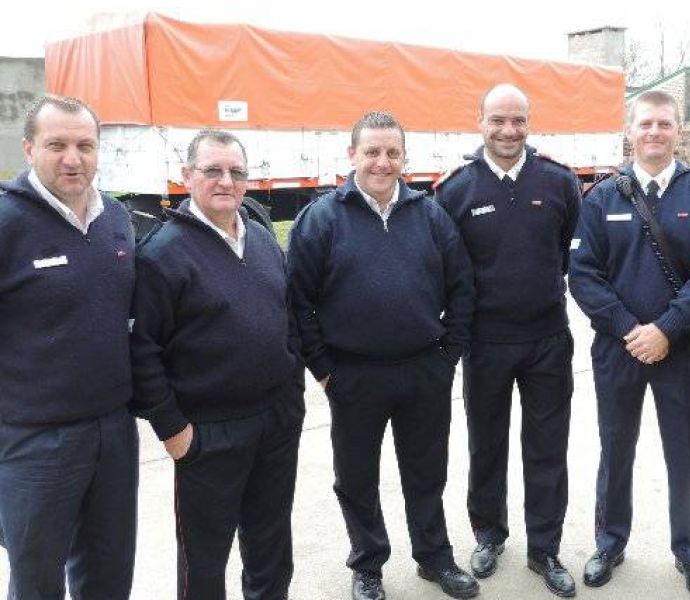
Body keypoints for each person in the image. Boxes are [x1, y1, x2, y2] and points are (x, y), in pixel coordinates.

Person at [287, 111, 478, 600]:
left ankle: (434, 558)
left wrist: (447, 358)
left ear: (404, 157)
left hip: (423, 371)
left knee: (427, 472)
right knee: (356, 477)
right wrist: (325, 370)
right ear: (352, 155)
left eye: (392, 152)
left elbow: (461, 290)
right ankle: (368, 564)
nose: (382, 161)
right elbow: (299, 302)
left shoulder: (431, 216)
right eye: (371, 151)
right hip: (352, 375)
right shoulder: (322, 218)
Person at [569, 90, 690, 599]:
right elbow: (583, 273)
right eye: (646, 124)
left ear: (678, 130)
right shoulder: (601, 197)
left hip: (681, 350)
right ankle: (610, 543)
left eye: (664, 123)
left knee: (685, 456)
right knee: (616, 451)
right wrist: (628, 329)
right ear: (630, 131)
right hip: (618, 350)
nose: (655, 132)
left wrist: (667, 329)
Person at [130, 129, 305, 600]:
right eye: (212, 170)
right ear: (187, 176)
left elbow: (287, 319)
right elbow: (143, 353)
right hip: (208, 435)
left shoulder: (264, 241)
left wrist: (293, 398)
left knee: (271, 547)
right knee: (205, 561)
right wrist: (175, 433)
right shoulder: (162, 255)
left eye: (236, 172)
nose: (225, 181)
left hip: (276, 424)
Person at [434, 83, 581, 597]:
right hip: (485, 343)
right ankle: (489, 535)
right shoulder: (455, 190)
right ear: (479, 121)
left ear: (529, 122)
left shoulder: (560, 183)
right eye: (498, 120)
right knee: (487, 445)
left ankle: (545, 548)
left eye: (518, 120)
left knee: (547, 449)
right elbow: (446, 270)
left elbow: (569, 254)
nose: (508, 131)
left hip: (546, 340)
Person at [0, 94, 138, 599]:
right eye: (57, 145)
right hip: (35, 441)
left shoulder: (117, 219)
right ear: (29, 148)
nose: (73, 158)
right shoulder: (7, 222)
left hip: (114, 432)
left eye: (84, 145)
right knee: (36, 581)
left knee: (109, 573)